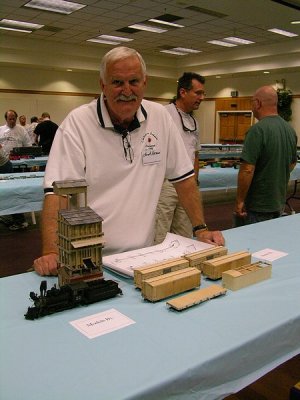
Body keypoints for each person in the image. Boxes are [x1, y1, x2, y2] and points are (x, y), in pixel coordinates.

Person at [33, 46, 224, 276]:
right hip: (89, 258)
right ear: (102, 85)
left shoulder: (160, 118)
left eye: (134, 81)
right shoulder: (78, 123)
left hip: (142, 256)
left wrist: (201, 229)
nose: (127, 90)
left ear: (145, 83)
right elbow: (57, 194)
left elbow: (184, 179)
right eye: (117, 82)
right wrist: (51, 252)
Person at [234, 85, 297, 226]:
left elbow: (247, 169)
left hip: (257, 204)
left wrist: (240, 201)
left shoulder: (257, 131)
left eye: (252, 102)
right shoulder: (290, 130)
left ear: (258, 103)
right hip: (278, 201)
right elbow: (292, 163)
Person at [154, 72, 205, 244]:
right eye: (198, 93)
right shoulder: (163, 114)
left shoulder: (194, 122)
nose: (202, 97)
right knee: (159, 233)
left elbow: (195, 154)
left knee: (183, 235)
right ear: (183, 92)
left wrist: (194, 182)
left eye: (202, 93)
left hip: (188, 185)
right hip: (166, 184)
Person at [0, 109, 32, 230]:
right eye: (10, 119)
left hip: (15, 164)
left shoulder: (21, 130)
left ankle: (19, 219)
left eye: (14, 118)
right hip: (4, 163)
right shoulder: (1, 130)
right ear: (6, 119)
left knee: (15, 192)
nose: (12, 121)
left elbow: (28, 146)